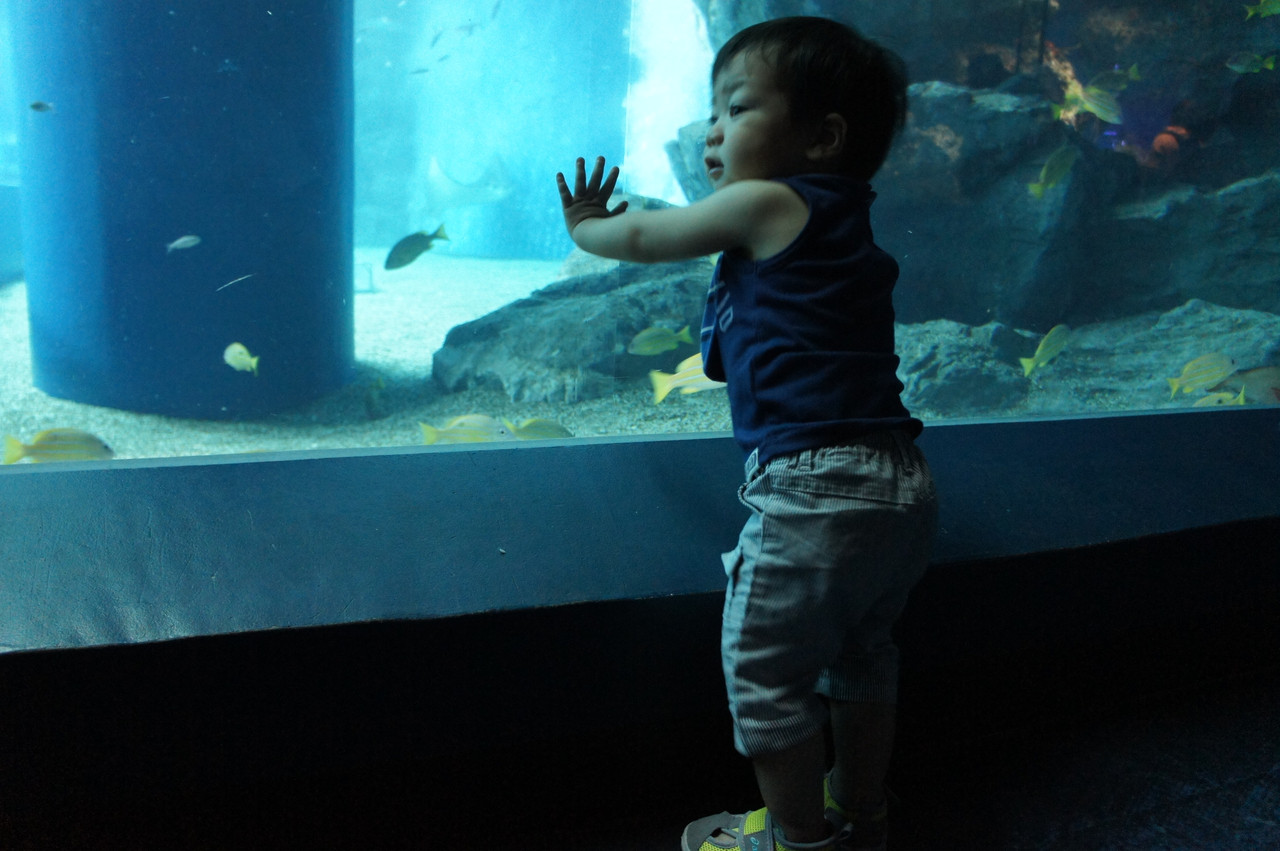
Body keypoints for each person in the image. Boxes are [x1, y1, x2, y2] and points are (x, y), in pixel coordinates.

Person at [556, 16, 938, 851]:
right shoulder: (842, 222)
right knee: (862, 654)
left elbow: (648, 236)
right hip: (899, 477)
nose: (711, 131)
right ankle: (861, 814)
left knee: (764, 673)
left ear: (822, 137)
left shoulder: (771, 201)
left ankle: (797, 840)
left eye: (736, 108)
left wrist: (588, 228)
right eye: (712, 112)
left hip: (816, 483)